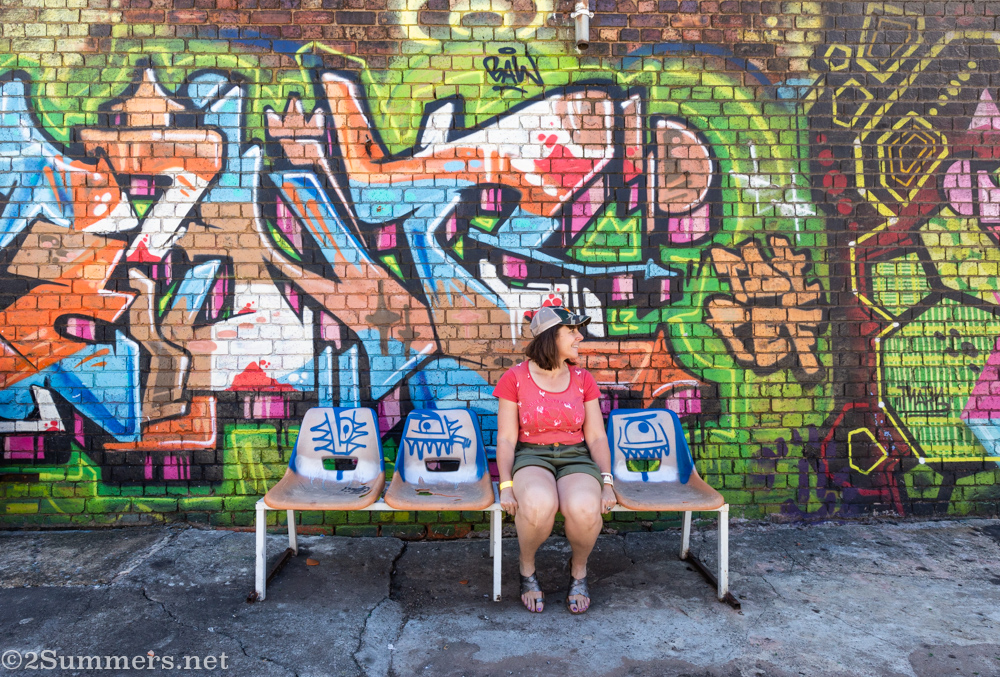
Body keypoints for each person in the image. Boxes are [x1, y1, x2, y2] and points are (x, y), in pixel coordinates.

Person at [493, 306, 617, 614]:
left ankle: (578, 571)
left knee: (586, 509)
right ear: (551, 337)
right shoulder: (515, 379)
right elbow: (507, 438)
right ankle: (526, 568)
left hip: (575, 456)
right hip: (531, 455)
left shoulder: (582, 379)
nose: (580, 336)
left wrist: (607, 482)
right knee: (536, 505)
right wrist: (506, 485)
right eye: (572, 331)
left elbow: (597, 437)